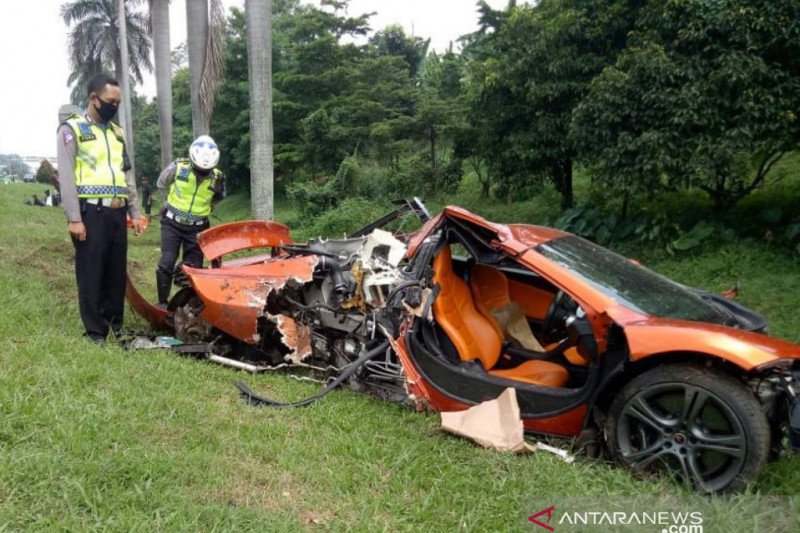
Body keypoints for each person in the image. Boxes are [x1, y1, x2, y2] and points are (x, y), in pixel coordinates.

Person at [57, 74, 144, 344]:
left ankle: (114, 323)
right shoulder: (72, 130)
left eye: (117, 103)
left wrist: (135, 212)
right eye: (109, 102)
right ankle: (95, 330)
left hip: (117, 213)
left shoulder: (117, 134)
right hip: (90, 213)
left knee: (115, 272)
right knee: (92, 271)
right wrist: (74, 218)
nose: (113, 107)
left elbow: (127, 175)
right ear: (93, 98)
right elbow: (67, 177)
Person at [155, 135, 225, 306]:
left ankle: (188, 303)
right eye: (199, 169)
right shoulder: (178, 167)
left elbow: (219, 196)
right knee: (167, 263)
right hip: (172, 224)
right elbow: (161, 183)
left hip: (197, 228)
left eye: (206, 170)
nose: (203, 173)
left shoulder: (218, 177)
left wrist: (205, 209)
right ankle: (163, 303)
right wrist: (169, 202)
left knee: (193, 268)